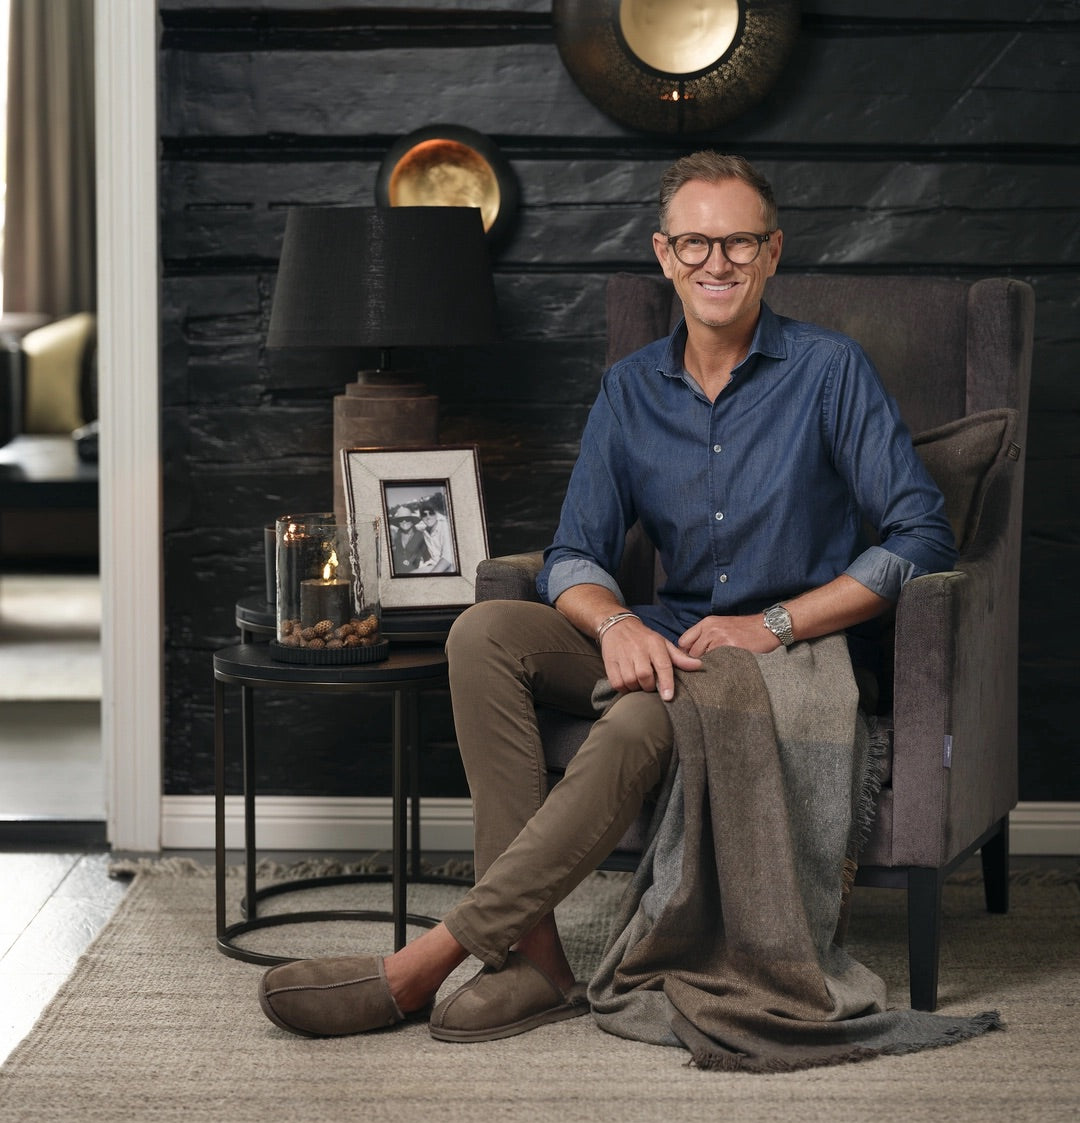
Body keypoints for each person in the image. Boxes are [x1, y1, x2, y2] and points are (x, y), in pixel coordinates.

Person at [258, 151, 956, 1047]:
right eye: (695, 242)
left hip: (785, 663)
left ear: (773, 252)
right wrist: (618, 621)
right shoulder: (631, 388)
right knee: (483, 631)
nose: (717, 262)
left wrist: (773, 624)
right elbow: (574, 555)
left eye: (739, 242)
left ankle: (426, 962)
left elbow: (921, 537)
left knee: (633, 721)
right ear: (664, 254)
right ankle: (536, 960)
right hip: (667, 638)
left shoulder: (830, 371)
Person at [417, 500, 457, 574]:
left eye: (431, 513)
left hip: (451, 566)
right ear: (421, 517)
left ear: (436, 514)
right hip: (434, 564)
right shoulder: (425, 532)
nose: (428, 517)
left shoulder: (445, 527)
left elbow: (448, 557)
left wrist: (432, 575)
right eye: (424, 514)